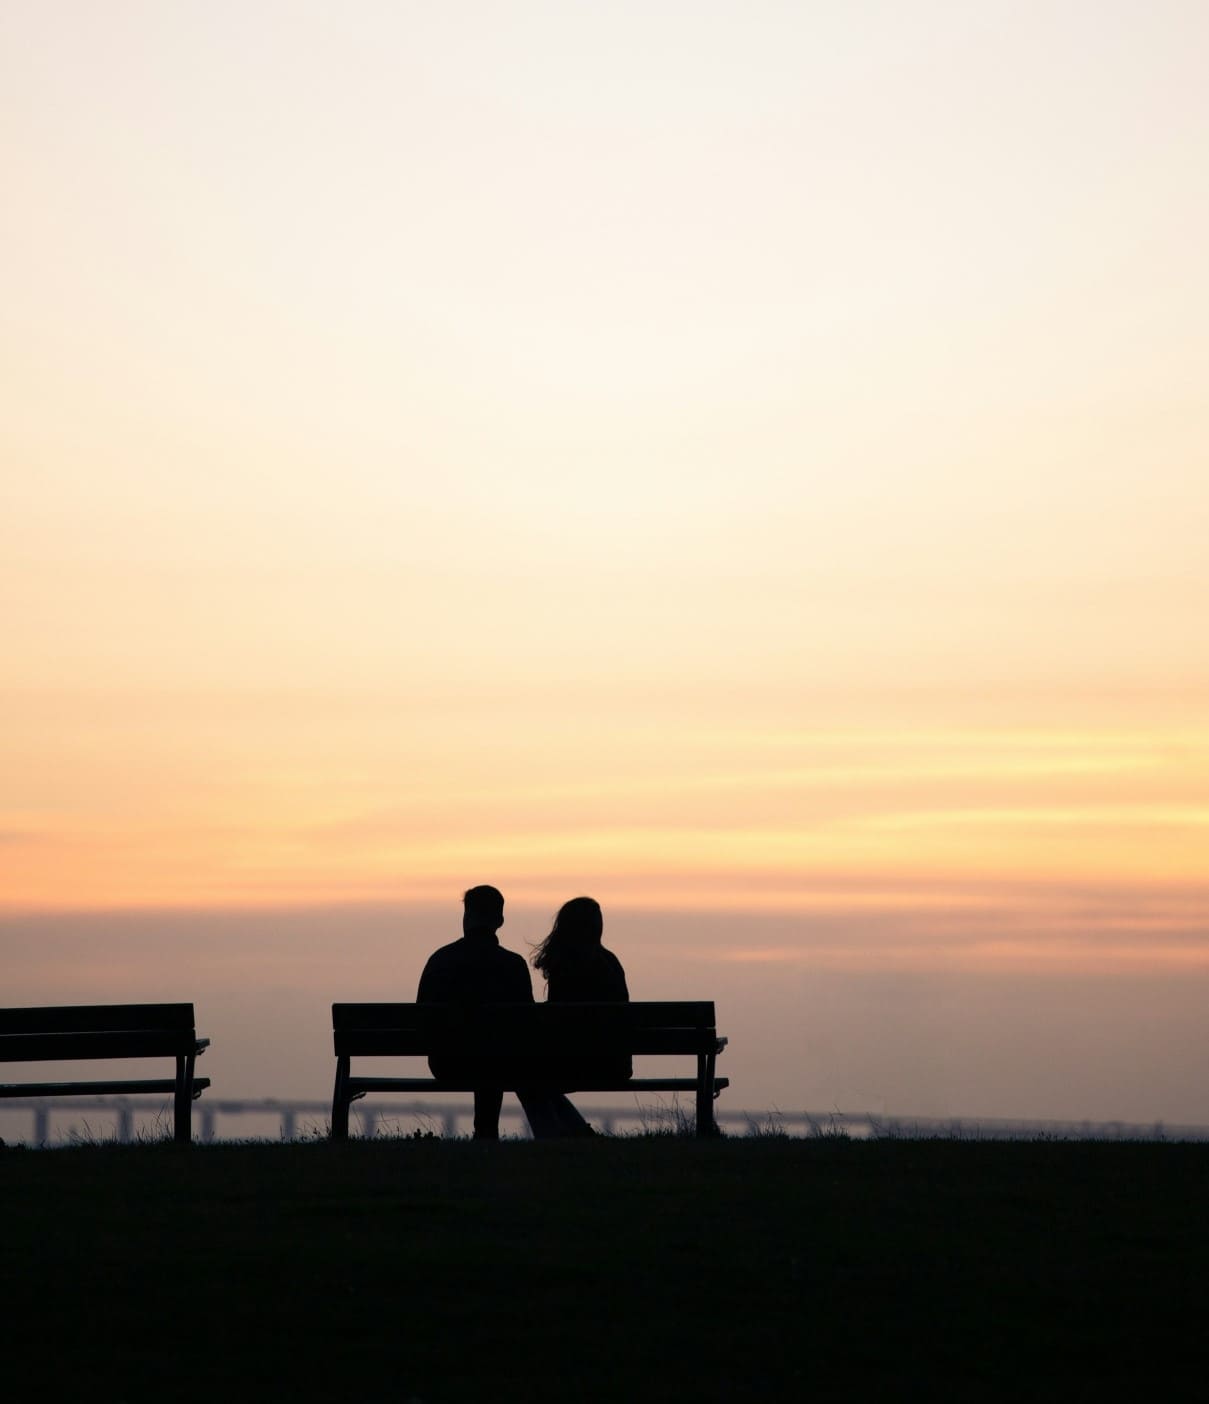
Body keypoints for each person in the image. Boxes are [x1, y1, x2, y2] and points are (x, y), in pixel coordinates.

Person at [416, 884, 533, 1140]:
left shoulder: (440, 960)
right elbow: (528, 1023)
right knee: (494, 1055)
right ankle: (487, 1131)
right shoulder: (513, 965)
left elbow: (421, 1016)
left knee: (486, 1053)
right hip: (498, 1063)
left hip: (447, 1063)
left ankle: (485, 1133)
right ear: (500, 921)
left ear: (466, 917)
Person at [532, 895, 633, 1094]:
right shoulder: (610, 962)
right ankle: (572, 1126)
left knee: (525, 1077)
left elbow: (559, 1020)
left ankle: (566, 1125)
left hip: (572, 1065)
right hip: (613, 1066)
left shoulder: (563, 966)